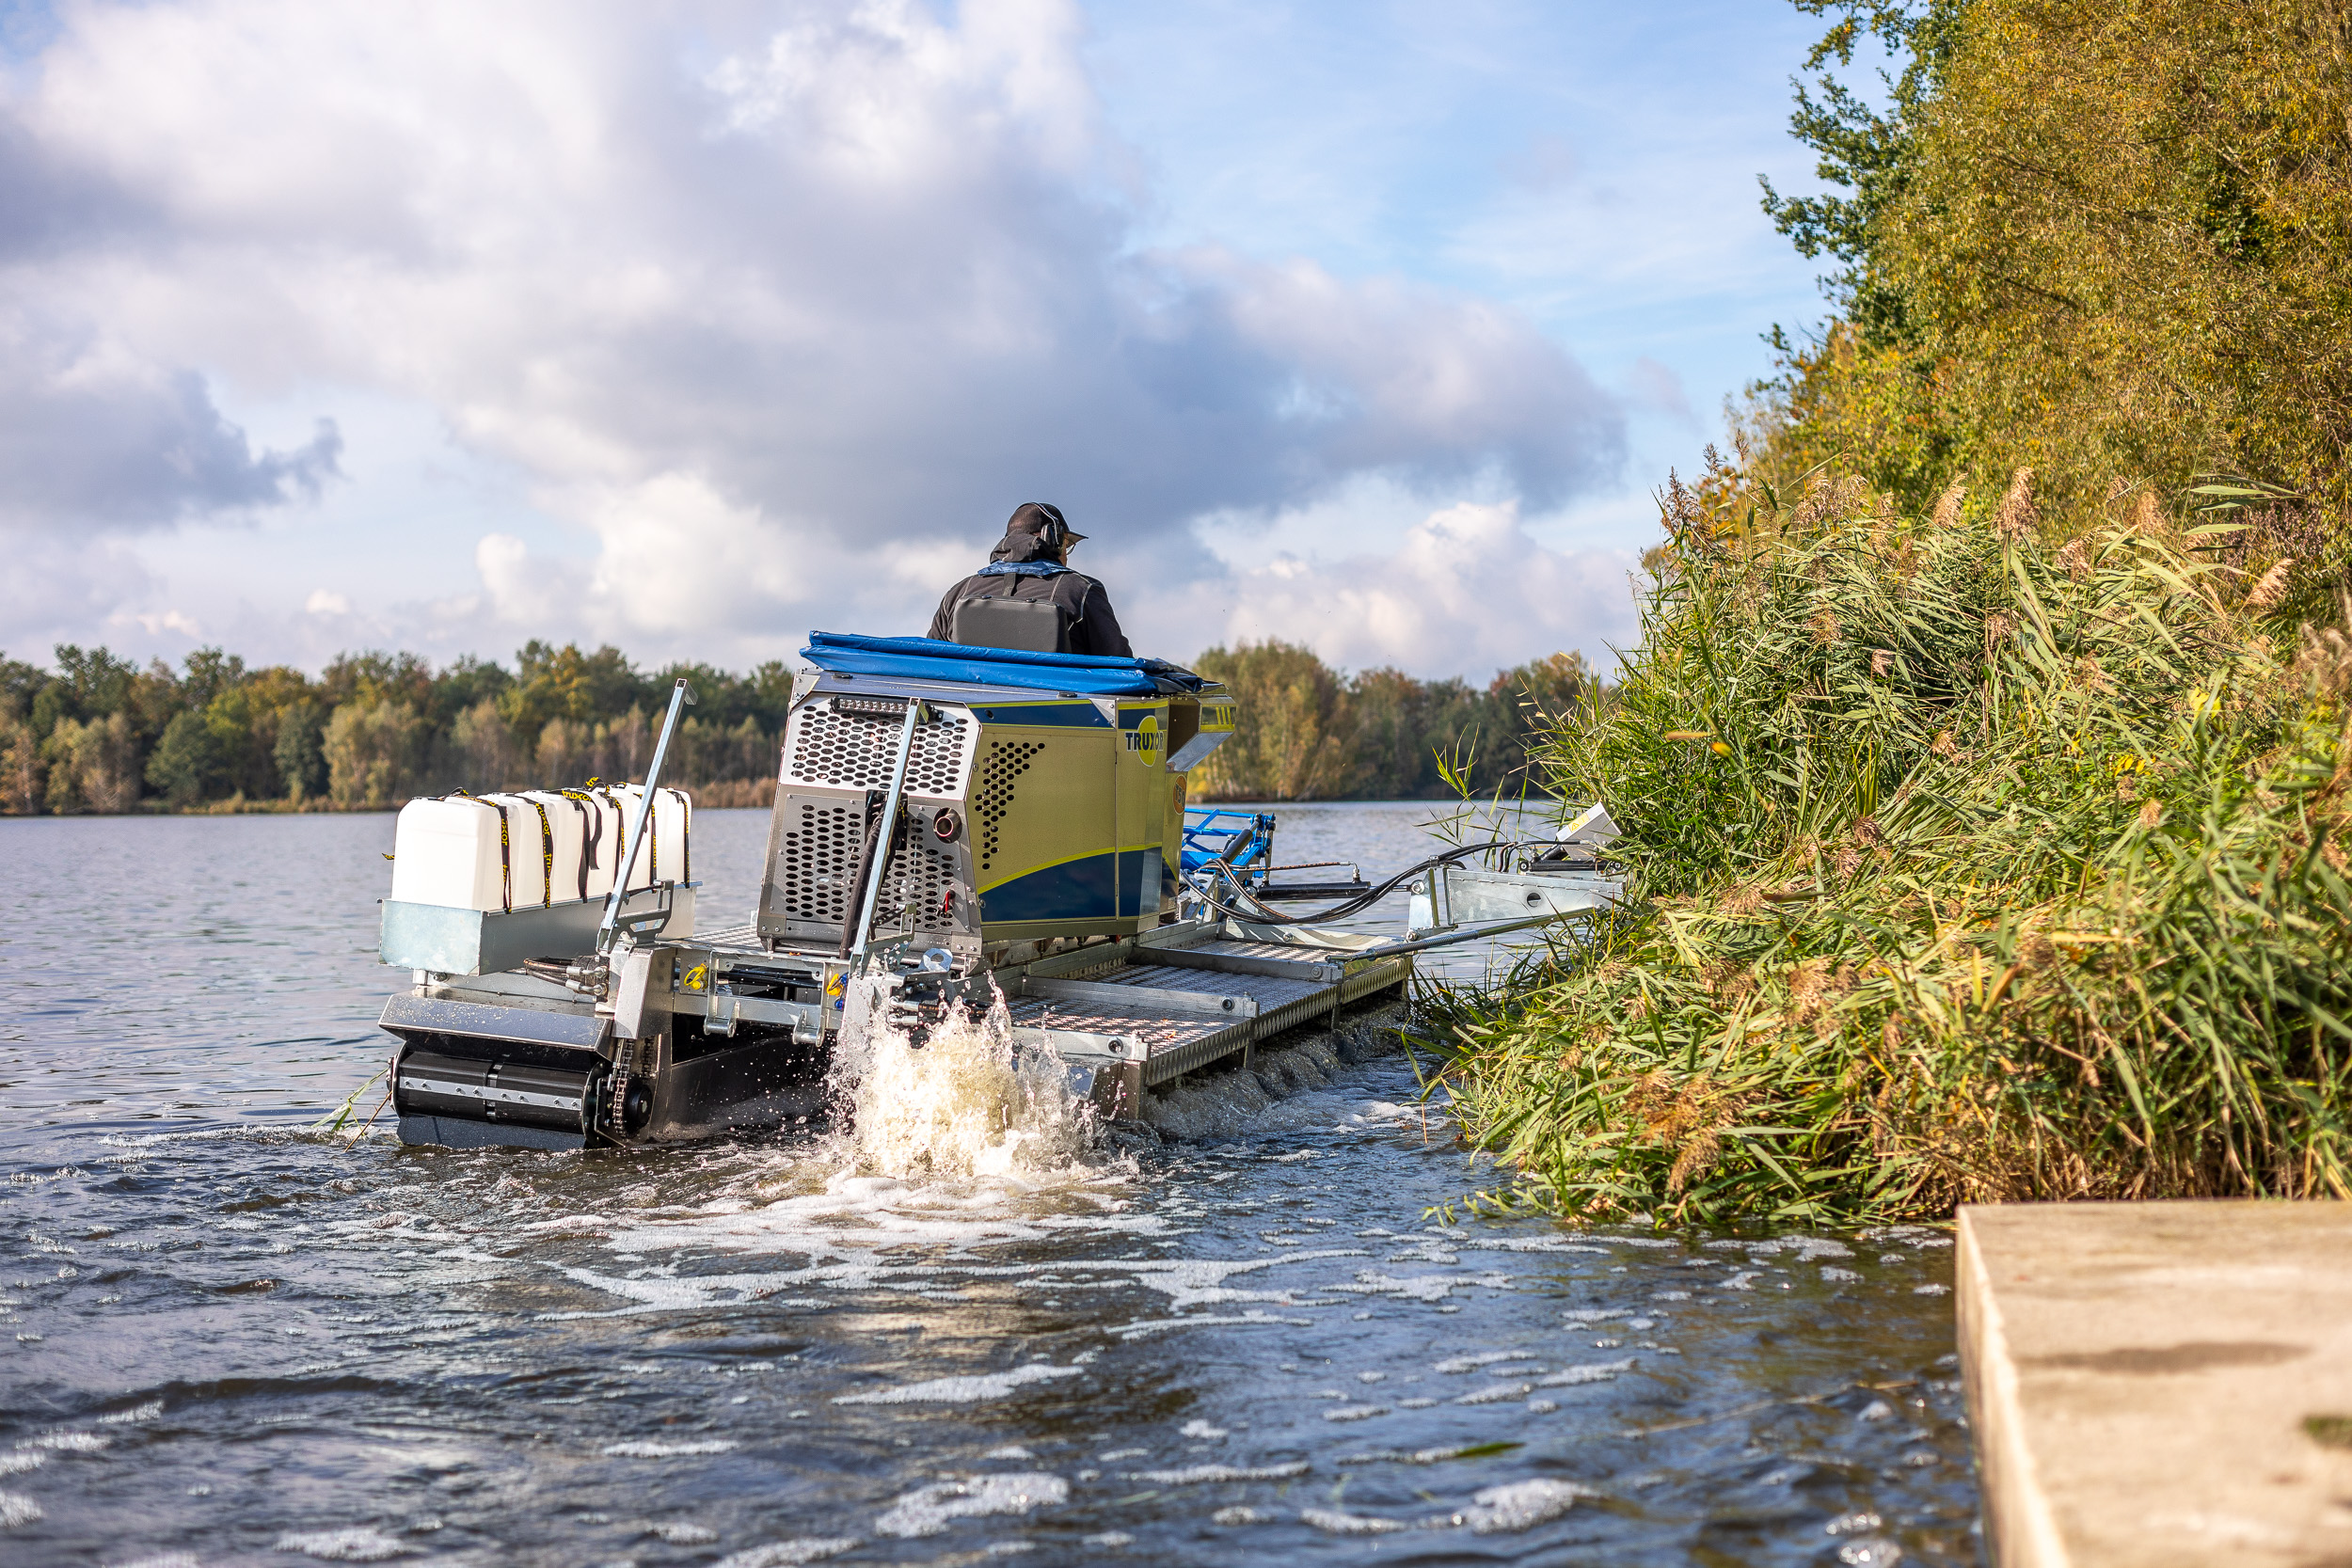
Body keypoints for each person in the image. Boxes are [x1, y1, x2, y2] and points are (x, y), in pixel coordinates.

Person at [928, 501, 1133, 657]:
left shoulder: (957, 593)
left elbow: (931, 660)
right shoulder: (1081, 590)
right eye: (1066, 544)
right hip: (1057, 711)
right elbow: (1118, 663)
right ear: (1053, 539)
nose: (1067, 555)